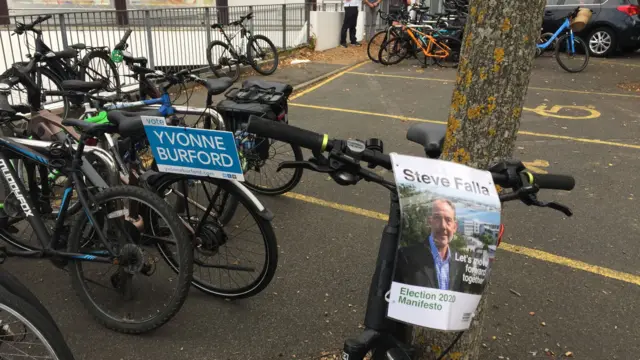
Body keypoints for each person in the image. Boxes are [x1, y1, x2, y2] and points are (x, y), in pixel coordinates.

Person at [393, 198, 466, 291]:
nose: (443, 226)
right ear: (429, 222)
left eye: (448, 220)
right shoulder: (406, 256)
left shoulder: (460, 263)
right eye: (437, 218)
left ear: (454, 227)